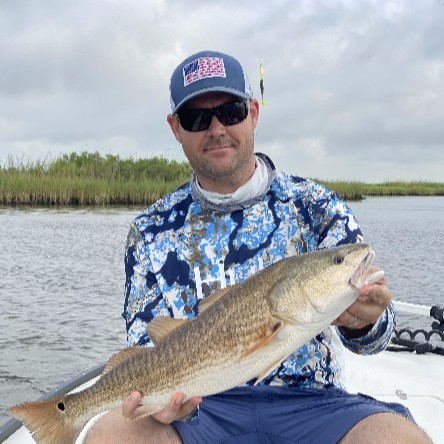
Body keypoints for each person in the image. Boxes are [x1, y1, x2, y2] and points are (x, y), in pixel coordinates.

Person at [83, 50, 432, 444]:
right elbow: (146, 345)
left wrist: (364, 321)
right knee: (110, 435)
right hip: (199, 407)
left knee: (397, 438)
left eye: (230, 111)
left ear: (253, 112)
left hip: (314, 404)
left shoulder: (316, 206)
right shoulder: (149, 230)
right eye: (197, 118)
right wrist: (159, 401)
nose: (216, 128)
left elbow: (378, 338)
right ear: (175, 128)